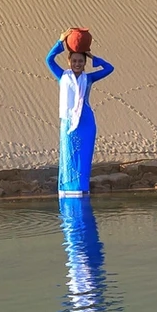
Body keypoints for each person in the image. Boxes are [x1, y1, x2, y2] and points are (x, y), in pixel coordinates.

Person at [46, 27, 114, 197]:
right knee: (68, 152)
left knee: (84, 156)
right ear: (69, 62)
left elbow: (109, 68)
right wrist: (60, 40)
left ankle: (82, 188)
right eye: (74, 61)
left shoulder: (89, 78)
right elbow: (49, 59)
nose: (77, 64)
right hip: (69, 122)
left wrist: (92, 57)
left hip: (86, 122)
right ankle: (67, 188)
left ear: (84, 64)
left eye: (81, 61)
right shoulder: (62, 76)